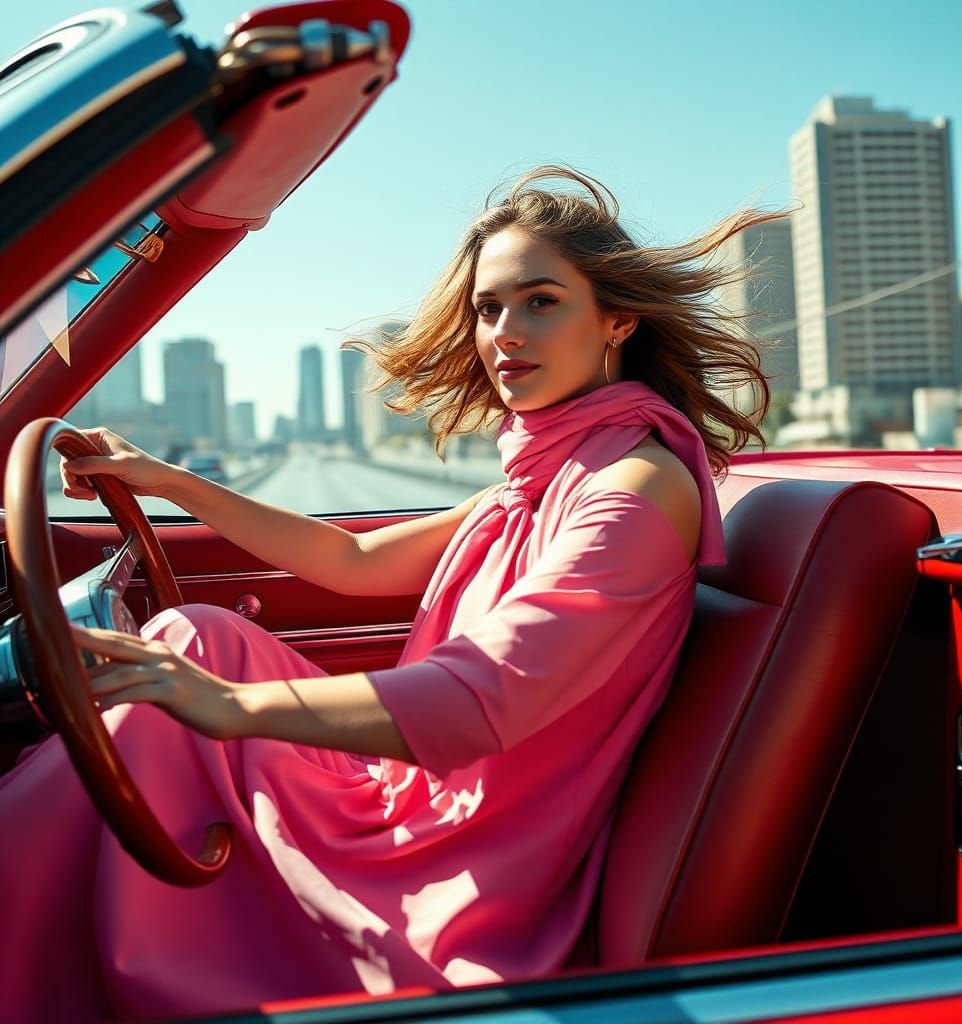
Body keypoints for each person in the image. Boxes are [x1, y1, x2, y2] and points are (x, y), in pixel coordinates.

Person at [0, 166, 781, 1021]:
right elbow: (355, 559)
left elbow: (482, 700)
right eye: (488, 309)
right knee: (197, 634)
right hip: (410, 797)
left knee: (187, 676)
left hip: (457, 868)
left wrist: (227, 708)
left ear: (618, 320)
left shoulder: (629, 489)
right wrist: (161, 479)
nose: (504, 335)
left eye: (541, 301)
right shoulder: (542, 473)